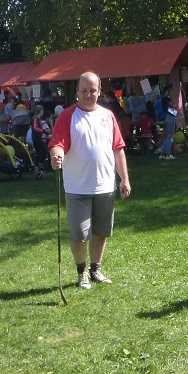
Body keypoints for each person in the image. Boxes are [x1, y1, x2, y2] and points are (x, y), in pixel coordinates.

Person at [48, 71, 131, 289]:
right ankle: (81, 271)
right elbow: (58, 143)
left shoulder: (108, 116)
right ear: (77, 92)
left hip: (105, 185)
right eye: (84, 91)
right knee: (78, 235)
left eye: (92, 90)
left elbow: (118, 149)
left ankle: (95, 269)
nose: (88, 95)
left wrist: (124, 179)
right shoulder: (67, 116)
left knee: (101, 232)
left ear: (99, 91)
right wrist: (56, 156)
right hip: (77, 187)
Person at [155, 85, 179, 160]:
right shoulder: (166, 98)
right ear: (169, 90)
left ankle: (162, 154)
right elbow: (174, 105)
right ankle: (168, 154)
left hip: (164, 118)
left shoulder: (160, 98)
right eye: (171, 90)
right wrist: (174, 103)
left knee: (166, 136)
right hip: (169, 117)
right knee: (170, 136)